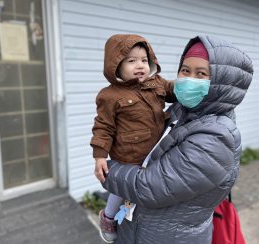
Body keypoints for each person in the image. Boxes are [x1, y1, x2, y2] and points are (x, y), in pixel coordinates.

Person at [102, 35, 253, 243]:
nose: (188, 79)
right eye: (185, 70)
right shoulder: (182, 111)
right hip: (138, 231)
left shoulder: (217, 138)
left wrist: (108, 170)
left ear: (221, 84)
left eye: (201, 74)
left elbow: (148, 187)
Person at [90, 34, 176, 243]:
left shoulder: (156, 83)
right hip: (128, 156)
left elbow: (173, 92)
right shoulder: (109, 96)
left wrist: (185, 85)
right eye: (131, 61)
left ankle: (137, 216)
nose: (140, 65)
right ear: (116, 66)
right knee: (121, 190)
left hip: (156, 151)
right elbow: (103, 127)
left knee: (149, 189)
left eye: (144, 60)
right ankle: (108, 217)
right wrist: (100, 156)